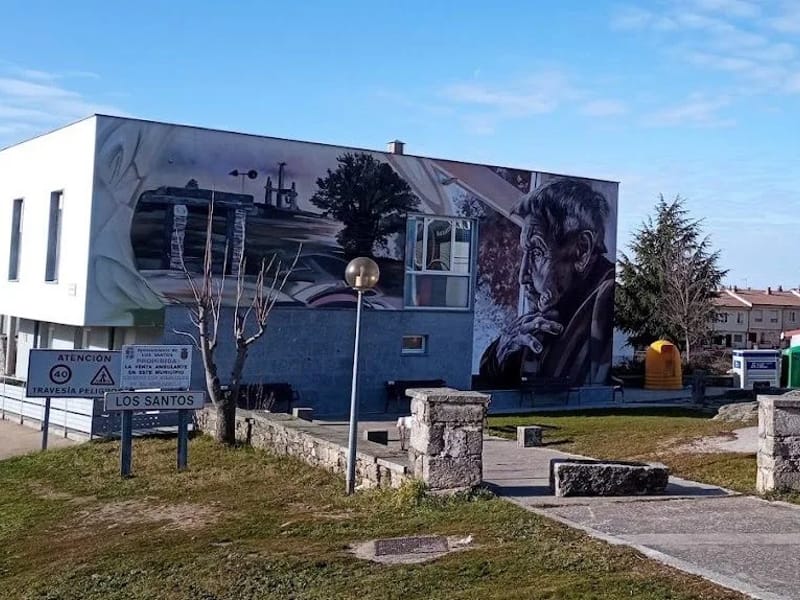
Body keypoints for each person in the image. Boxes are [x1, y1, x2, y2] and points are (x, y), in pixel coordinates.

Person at [479, 179, 615, 386]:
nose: (523, 275)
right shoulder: (555, 308)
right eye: (525, 254)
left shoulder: (604, 298)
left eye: (537, 252)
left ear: (582, 251)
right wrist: (503, 351)